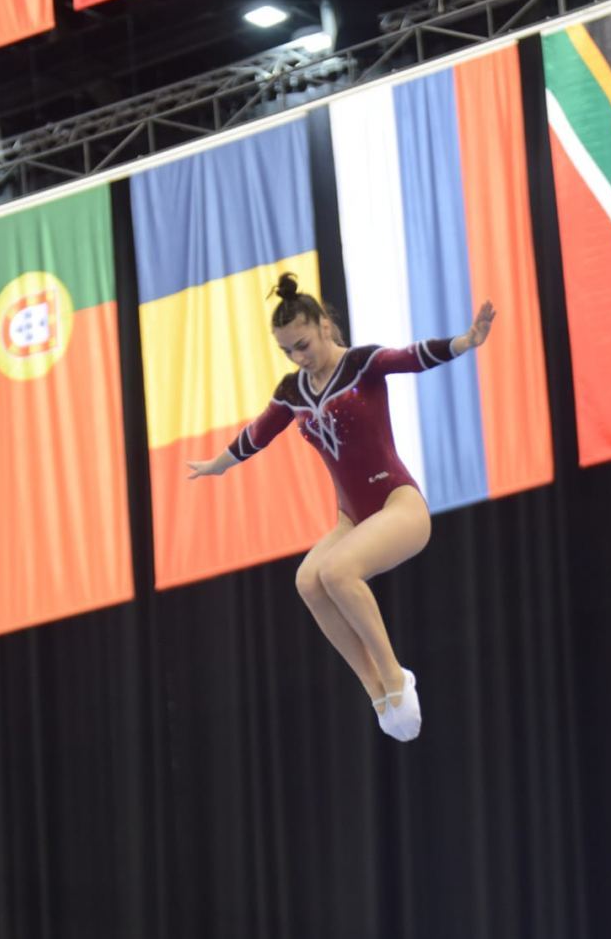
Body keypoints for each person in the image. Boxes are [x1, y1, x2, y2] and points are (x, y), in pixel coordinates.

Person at [188, 273, 495, 742]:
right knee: (309, 581)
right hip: (352, 518)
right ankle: (376, 692)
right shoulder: (292, 392)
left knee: (337, 573)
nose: (298, 357)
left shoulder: (361, 364)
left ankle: (395, 676)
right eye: (287, 350)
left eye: (303, 344)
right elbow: (259, 433)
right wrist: (219, 464)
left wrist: (464, 342)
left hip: (399, 505)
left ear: (326, 327)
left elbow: (411, 357)